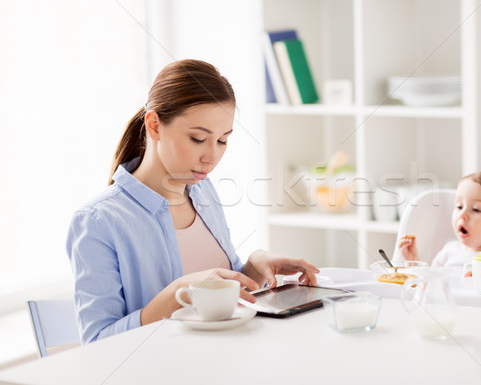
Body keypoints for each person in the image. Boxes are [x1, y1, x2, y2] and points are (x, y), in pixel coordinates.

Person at [67, 59, 320, 343]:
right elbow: (97, 342)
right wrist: (176, 295)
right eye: (198, 139)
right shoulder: (98, 221)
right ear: (154, 125)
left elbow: (219, 288)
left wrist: (253, 268)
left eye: (222, 141)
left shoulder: (202, 191)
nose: (211, 157)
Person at [397, 171, 481, 280]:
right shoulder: (449, 251)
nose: (462, 215)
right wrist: (413, 263)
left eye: (476, 209)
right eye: (459, 206)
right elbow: (429, 285)